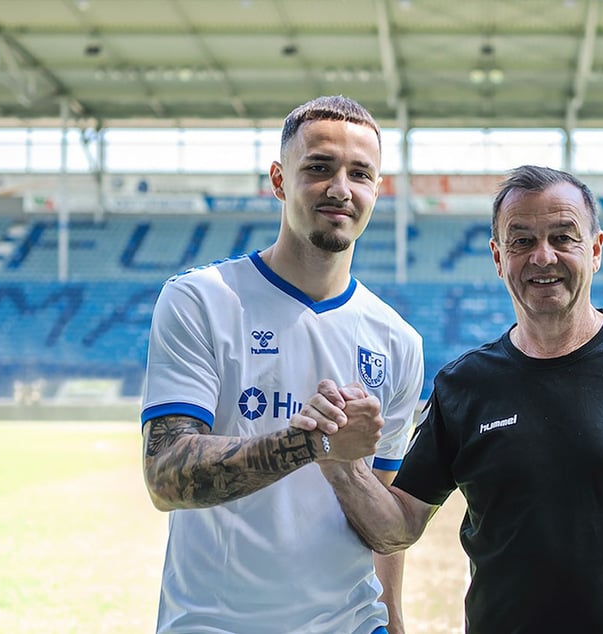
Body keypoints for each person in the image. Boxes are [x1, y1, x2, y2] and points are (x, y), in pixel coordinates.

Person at [296, 165, 603, 632]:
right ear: (498, 257)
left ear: (594, 250)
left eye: (563, 237)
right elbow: (398, 527)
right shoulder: (465, 385)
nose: (543, 257)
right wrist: (342, 465)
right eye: (522, 241)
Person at [140, 95, 424, 634]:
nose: (341, 187)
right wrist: (311, 444)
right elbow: (165, 476)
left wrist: (395, 619)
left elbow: (381, 522)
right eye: (319, 167)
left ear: (376, 191)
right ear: (278, 179)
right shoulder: (201, 299)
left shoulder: (398, 341)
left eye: (360, 173)